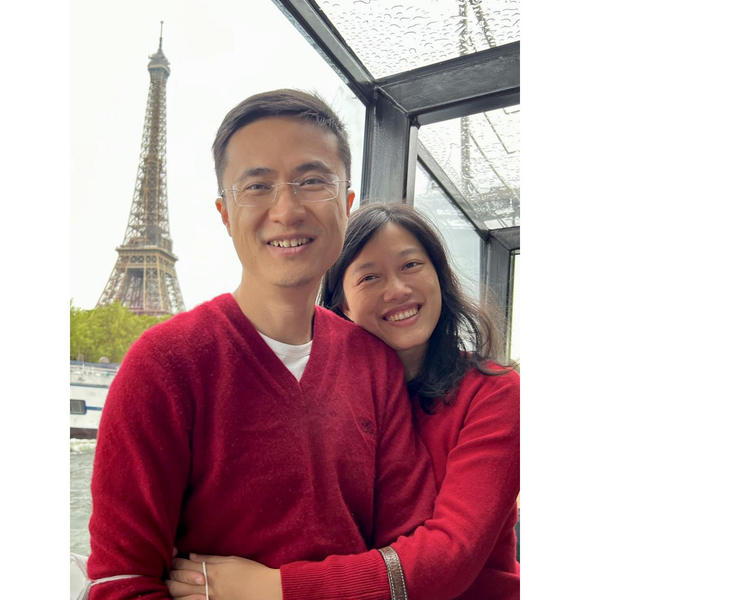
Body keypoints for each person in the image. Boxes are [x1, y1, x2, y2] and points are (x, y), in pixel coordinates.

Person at [84, 91, 437, 600]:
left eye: (312, 181)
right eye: (257, 186)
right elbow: (122, 580)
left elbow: (410, 556)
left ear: (346, 204)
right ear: (225, 214)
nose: (286, 210)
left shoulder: (375, 366)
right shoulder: (163, 365)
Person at [167, 202, 520, 600]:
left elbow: (452, 554)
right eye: (369, 276)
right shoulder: (326, 398)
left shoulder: (495, 393)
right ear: (344, 305)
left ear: (439, 276)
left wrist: (273, 587)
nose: (397, 289)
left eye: (411, 265)